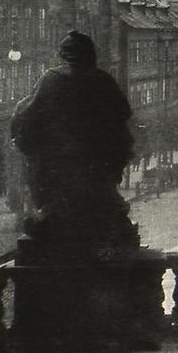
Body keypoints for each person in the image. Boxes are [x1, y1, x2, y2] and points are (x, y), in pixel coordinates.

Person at [10, 30, 137, 248]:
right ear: (90, 54)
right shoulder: (102, 79)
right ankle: (107, 209)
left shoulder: (51, 78)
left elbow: (28, 114)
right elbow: (123, 112)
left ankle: (49, 214)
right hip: (97, 160)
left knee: (54, 190)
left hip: (59, 159)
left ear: (64, 55)